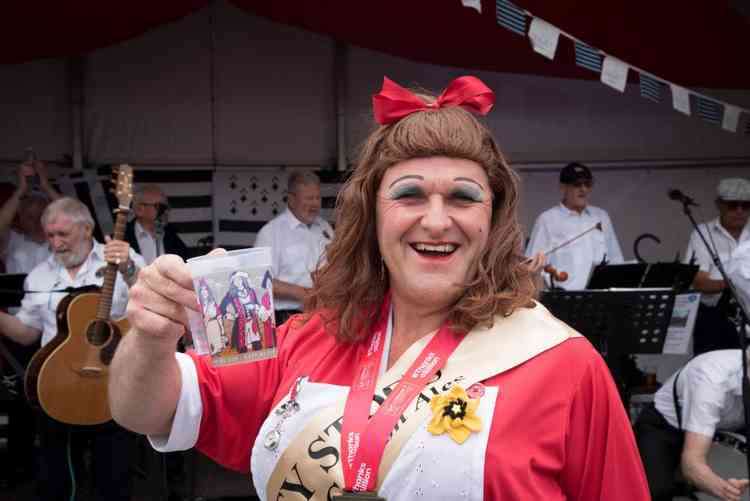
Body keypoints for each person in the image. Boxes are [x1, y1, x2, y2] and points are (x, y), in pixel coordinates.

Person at [109, 75, 649, 500]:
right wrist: (151, 337)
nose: (437, 221)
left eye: (463, 197)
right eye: (410, 194)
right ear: (371, 215)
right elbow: (144, 410)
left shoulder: (565, 366)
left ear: (496, 218)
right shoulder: (308, 338)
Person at [0, 196, 145, 501]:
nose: (56, 243)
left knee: (114, 476)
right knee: (58, 481)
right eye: (50, 236)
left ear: (87, 228)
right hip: (58, 389)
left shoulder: (121, 259)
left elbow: (150, 300)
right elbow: (27, 334)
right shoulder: (39, 275)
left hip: (111, 385)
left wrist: (129, 267)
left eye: (63, 234)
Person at [634, 349, 750, 501]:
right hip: (666, 425)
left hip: (723, 425)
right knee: (654, 491)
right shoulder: (711, 379)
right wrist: (727, 490)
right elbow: (692, 465)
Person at [525, 162, 624, 290]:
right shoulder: (547, 219)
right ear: (563, 187)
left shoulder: (601, 217)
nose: (583, 189)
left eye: (587, 184)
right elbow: (532, 264)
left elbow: (616, 260)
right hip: (562, 297)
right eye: (577, 184)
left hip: (599, 296)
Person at [253, 171, 333, 324]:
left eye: (317, 198)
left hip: (324, 314)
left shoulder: (325, 228)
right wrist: (304, 294)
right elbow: (261, 281)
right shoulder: (271, 233)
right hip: (287, 317)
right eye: (309, 198)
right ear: (291, 199)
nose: (314, 204)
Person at [683, 177, 750, 355]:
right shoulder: (702, 233)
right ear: (719, 204)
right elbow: (698, 282)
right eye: (733, 205)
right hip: (714, 319)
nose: (740, 211)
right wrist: (736, 283)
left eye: (746, 205)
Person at [0, 161, 61, 274]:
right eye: (30, 217)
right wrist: (21, 190)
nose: (36, 221)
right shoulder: (12, 240)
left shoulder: (64, 239)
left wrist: (46, 186)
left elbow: (77, 218)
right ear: (21, 217)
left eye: (41, 215)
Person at [125, 183, 190, 264]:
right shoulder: (123, 236)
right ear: (139, 209)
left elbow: (185, 263)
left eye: (167, 207)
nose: (165, 211)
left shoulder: (171, 236)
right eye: (159, 206)